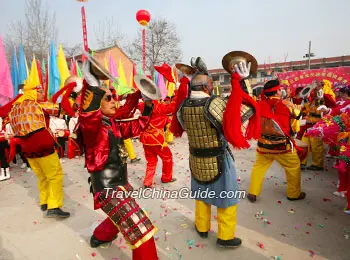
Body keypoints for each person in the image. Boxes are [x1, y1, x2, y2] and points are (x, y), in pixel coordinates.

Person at [172, 55, 259, 248]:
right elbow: (242, 112)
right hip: (218, 158)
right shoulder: (214, 103)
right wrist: (243, 84)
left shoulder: (182, 107)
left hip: (195, 157)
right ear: (205, 87)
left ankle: (202, 227)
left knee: (202, 196)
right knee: (226, 198)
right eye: (210, 84)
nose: (212, 87)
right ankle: (225, 237)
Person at [79, 53, 158, 260]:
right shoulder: (93, 128)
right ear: (97, 103)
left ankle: (100, 235)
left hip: (120, 185)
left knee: (121, 217)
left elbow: (139, 125)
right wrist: (93, 87)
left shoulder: (112, 124)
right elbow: (87, 116)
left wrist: (148, 104)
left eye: (114, 97)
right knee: (141, 231)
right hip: (108, 190)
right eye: (108, 98)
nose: (115, 102)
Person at [8, 81, 79, 218]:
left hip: (26, 148)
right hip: (41, 143)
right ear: (32, 92)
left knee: (42, 176)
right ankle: (53, 206)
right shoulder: (38, 104)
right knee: (55, 175)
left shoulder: (15, 108)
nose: (42, 94)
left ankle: (44, 201)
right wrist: (72, 94)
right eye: (39, 91)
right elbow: (64, 108)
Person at [247, 79, 306, 203]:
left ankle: (253, 192)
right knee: (293, 167)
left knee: (258, 168)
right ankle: (293, 194)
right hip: (282, 147)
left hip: (263, 145)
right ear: (277, 91)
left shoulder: (259, 104)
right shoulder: (285, 104)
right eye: (280, 89)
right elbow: (298, 115)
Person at [138, 90, 177, 188]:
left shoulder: (141, 106)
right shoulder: (159, 107)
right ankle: (166, 178)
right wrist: (178, 94)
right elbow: (174, 106)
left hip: (145, 139)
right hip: (157, 140)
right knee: (167, 157)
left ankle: (147, 182)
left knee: (151, 161)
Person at [300, 80, 336, 170]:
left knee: (316, 146)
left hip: (317, 124)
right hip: (308, 123)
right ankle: (302, 162)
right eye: (315, 90)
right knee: (304, 143)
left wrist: (322, 95)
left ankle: (317, 165)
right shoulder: (312, 101)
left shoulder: (324, 99)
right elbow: (307, 109)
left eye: (317, 89)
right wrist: (305, 101)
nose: (315, 91)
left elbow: (332, 104)